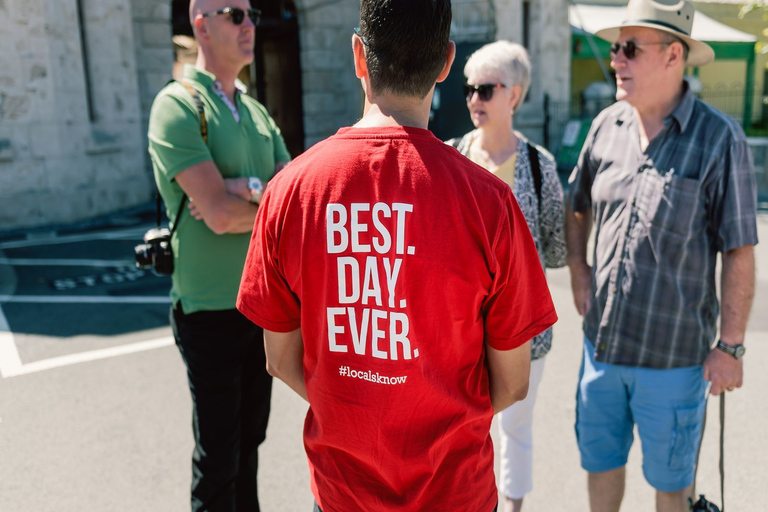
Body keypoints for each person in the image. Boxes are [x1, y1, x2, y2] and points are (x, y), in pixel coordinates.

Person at [236, 1, 558, 511]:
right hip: (456, 492)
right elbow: (513, 382)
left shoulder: (289, 191)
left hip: (343, 493)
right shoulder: (490, 202)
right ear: (448, 62)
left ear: (358, 55)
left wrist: (354, 410)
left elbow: (280, 360)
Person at [565, 0, 758, 511]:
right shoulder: (606, 125)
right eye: (614, 49)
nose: (616, 61)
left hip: (674, 362)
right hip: (600, 352)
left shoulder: (720, 139)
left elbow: (739, 248)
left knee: (672, 489)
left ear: (674, 55)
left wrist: (731, 346)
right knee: (600, 468)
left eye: (630, 49)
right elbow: (576, 205)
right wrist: (580, 274)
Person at [147, 1, 291, 510]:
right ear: (201, 23)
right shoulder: (178, 104)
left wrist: (242, 187)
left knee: (250, 444)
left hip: (260, 305)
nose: (250, 24)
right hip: (209, 310)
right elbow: (219, 213)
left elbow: (288, 199)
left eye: (251, 13)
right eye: (235, 13)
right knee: (219, 458)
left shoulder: (254, 109)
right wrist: (255, 197)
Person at [449, 41, 566, 512]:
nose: (474, 98)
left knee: (515, 425)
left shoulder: (541, 167)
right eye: (467, 89)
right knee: (462, 426)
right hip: (458, 328)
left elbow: (555, 247)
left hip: (521, 331)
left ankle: (512, 506)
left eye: (485, 89)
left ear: (514, 95)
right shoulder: (451, 157)